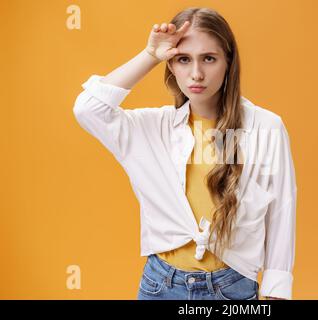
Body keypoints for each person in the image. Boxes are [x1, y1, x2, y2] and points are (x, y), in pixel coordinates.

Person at [73, 7, 297, 300]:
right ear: (171, 65)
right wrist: (150, 54)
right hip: (160, 286)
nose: (197, 73)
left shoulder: (265, 127)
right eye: (183, 59)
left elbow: (281, 211)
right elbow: (88, 109)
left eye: (209, 58)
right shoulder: (151, 129)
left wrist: (277, 292)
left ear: (228, 62)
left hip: (233, 288)